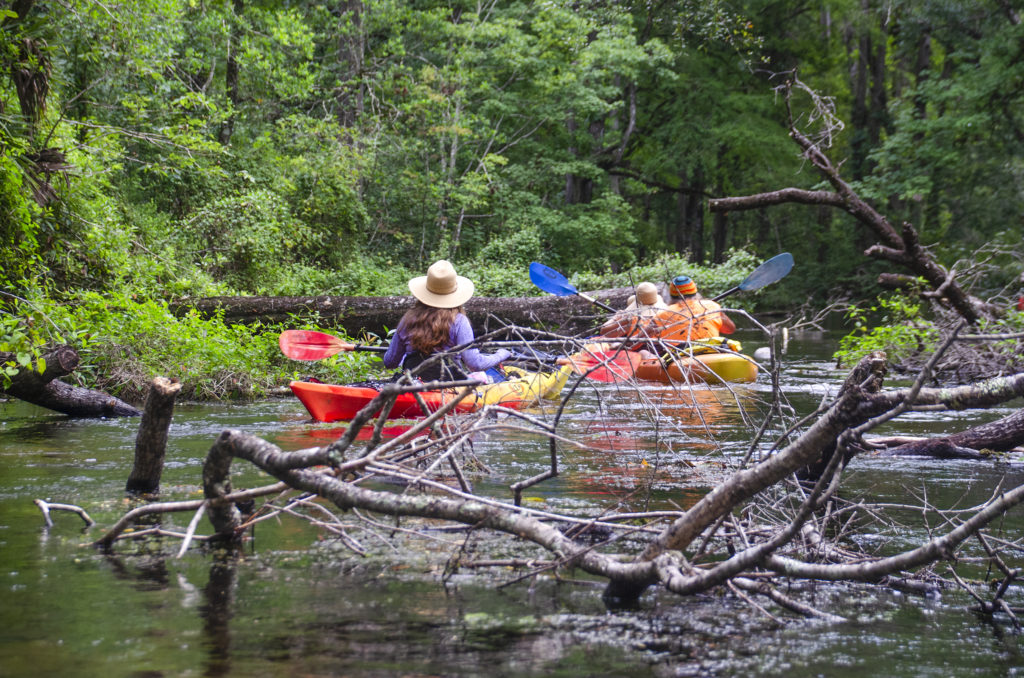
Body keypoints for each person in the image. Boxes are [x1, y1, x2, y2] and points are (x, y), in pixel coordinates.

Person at [382, 260, 511, 382]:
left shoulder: (407, 320)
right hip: (450, 386)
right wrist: (502, 354)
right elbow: (475, 364)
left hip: (413, 384)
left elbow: (390, 362)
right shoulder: (459, 321)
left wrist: (407, 355)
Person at [651, 275, 735, 343]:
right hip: (713, 350)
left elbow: (641, 340)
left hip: (682, 356)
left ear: (672, 296)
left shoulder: (662, 314)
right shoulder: (712, 306)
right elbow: (729, 330)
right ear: (695, 293)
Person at [599, 281, 666, 340]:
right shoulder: (664, 315)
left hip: (638, 350)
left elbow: (604, 332)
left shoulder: (631, 319)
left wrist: (616, 317)